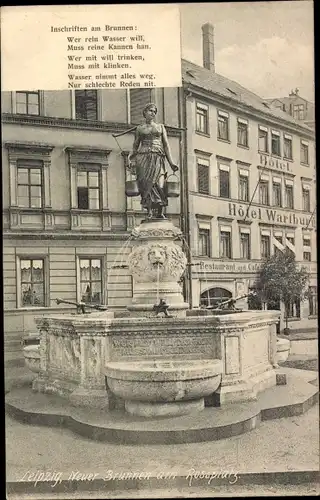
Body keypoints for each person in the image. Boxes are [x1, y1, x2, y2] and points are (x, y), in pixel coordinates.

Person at [128, 103, 178, 219]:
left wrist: (171, 163)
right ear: (145, 112)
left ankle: (160, 211)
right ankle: (150, 211)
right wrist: (129, 157)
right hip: (143, 157)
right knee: (146, 184)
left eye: (154, 111)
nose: (153, 113)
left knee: (159, 183)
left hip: (157, 157)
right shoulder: (140, 128)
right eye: (150, 111)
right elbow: (135, 146)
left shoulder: (160, 127)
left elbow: (166, 145)